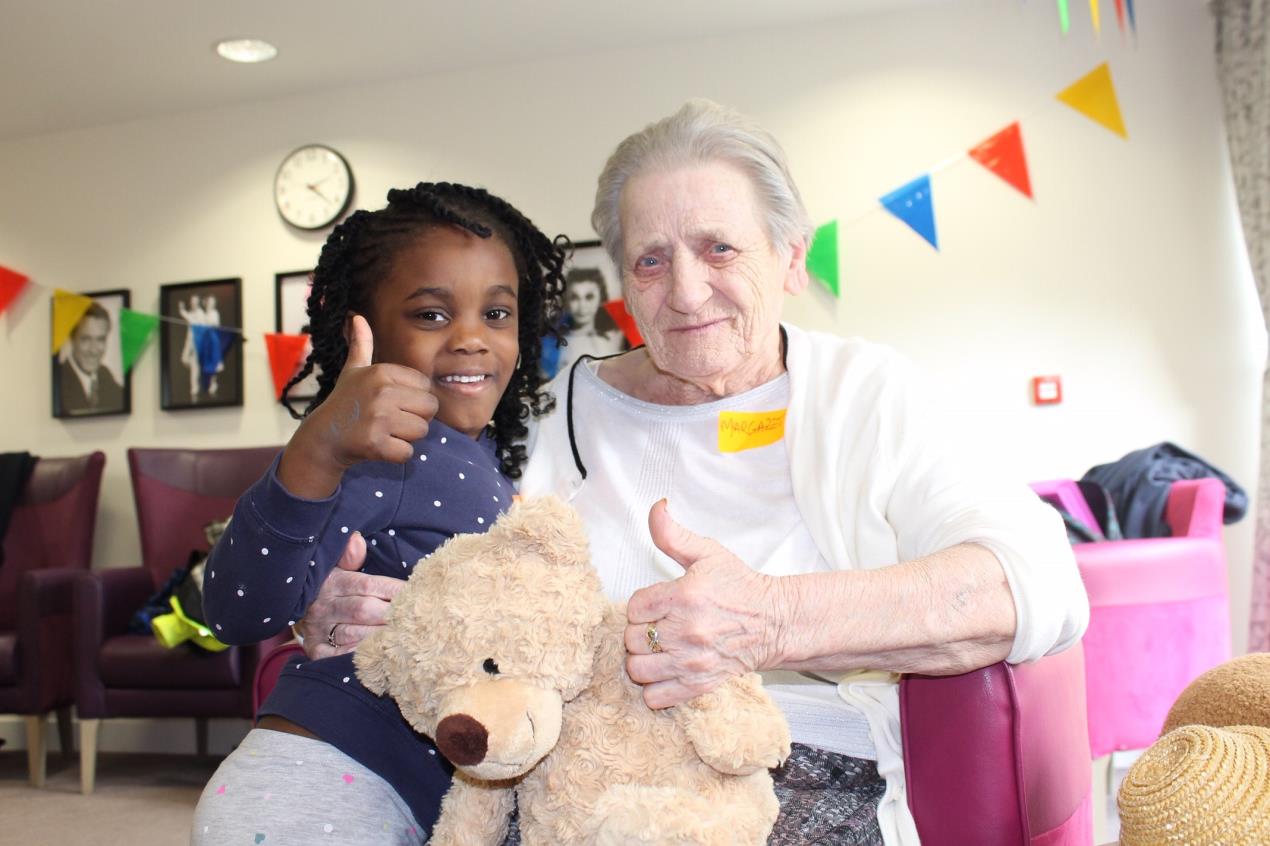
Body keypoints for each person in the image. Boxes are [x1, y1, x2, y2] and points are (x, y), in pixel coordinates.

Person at [299, 101, 1089, 846]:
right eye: (650, 260)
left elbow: (1035, 583)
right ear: (620, 283)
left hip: (786, 770)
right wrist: (352, 610)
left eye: (719, 247)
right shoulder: (543, 414)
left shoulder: (865, 395)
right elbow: (451, 592)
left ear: (789, 255)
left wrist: (773, 620)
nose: (684, 291)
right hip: (555, 779)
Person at [191, 182, 566, 846]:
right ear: (361, 327)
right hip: (321, 786)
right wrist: (317, 449)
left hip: (400, 796)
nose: (473, 340)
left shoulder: (477, 460)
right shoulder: (379, 451)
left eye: (498, 314)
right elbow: (235, 610)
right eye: (431, 315)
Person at [555, 266, 627, 373]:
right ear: (567, 300)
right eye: (574, 297)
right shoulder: (556, 344)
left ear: (601, 298)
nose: (582, 306)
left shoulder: (616, 338)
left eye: (589, 297)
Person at [56, 302, 123, 414]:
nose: (93, 350)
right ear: (72, 339)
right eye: (86, 339)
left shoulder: (107, 378)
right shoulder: (58, 381)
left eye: (100, 339)